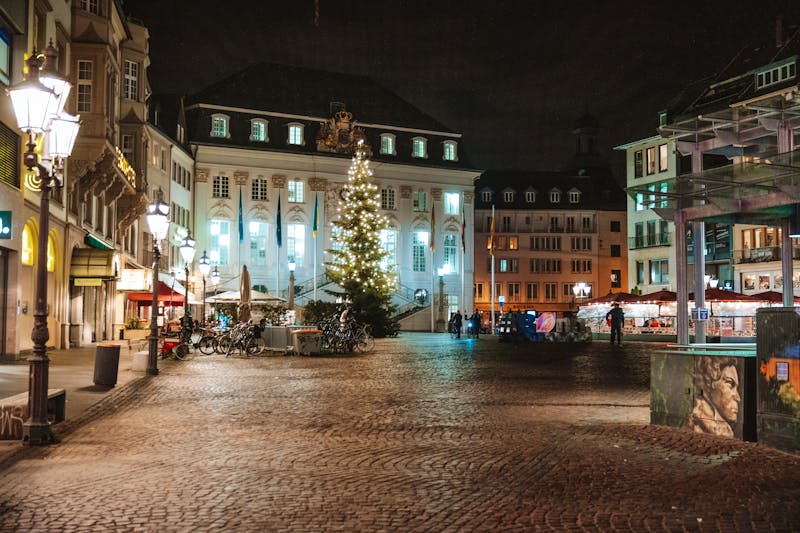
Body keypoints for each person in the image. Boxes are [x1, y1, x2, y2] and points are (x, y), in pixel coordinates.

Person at [687, 356, 741, 437]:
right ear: (711, 382)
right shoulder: (699, 421)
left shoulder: (724, 429)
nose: (738, 398)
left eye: (737, 388)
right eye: (730, 384)